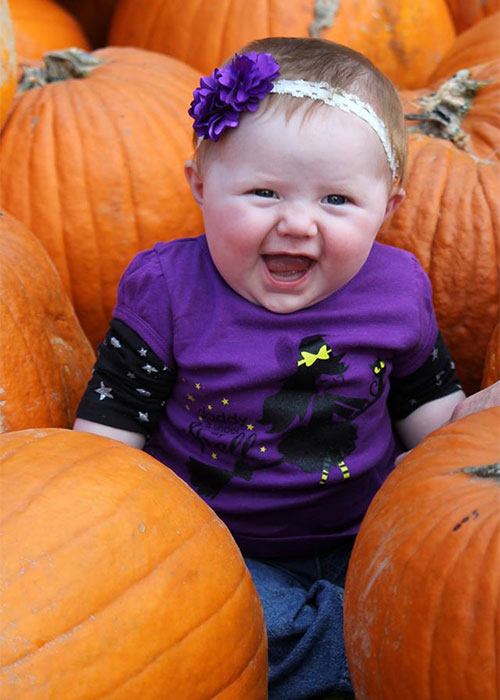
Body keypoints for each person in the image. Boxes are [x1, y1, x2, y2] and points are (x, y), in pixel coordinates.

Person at [73, 37, 494, 700]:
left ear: (389, 209)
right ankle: (370, 650)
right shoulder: (167, 290)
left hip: (369, 533)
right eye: (264, 192)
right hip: (223, 551)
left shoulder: (398, 290)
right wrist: (101, 539)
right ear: (201, 187)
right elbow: (109, 433)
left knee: (449, 590)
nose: (298, 224)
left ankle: (363, 637)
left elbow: (434, 422)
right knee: (222, 622)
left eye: (336, 201)